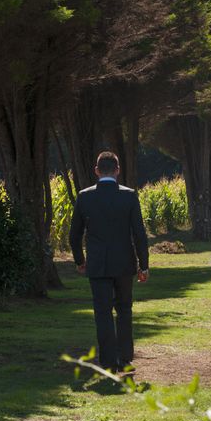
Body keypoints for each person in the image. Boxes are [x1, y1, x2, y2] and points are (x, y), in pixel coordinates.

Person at [69, 151, 149, 373]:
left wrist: (79, 260)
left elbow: (74, 234)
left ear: (96, 171)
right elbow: (139, 234)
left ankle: (107, 360)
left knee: (102, 312)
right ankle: (125, 357)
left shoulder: (85, 197)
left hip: (97, 264)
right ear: (117, 170)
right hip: (124, 262)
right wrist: (143, 264)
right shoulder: (129, 196)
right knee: (124, 309)